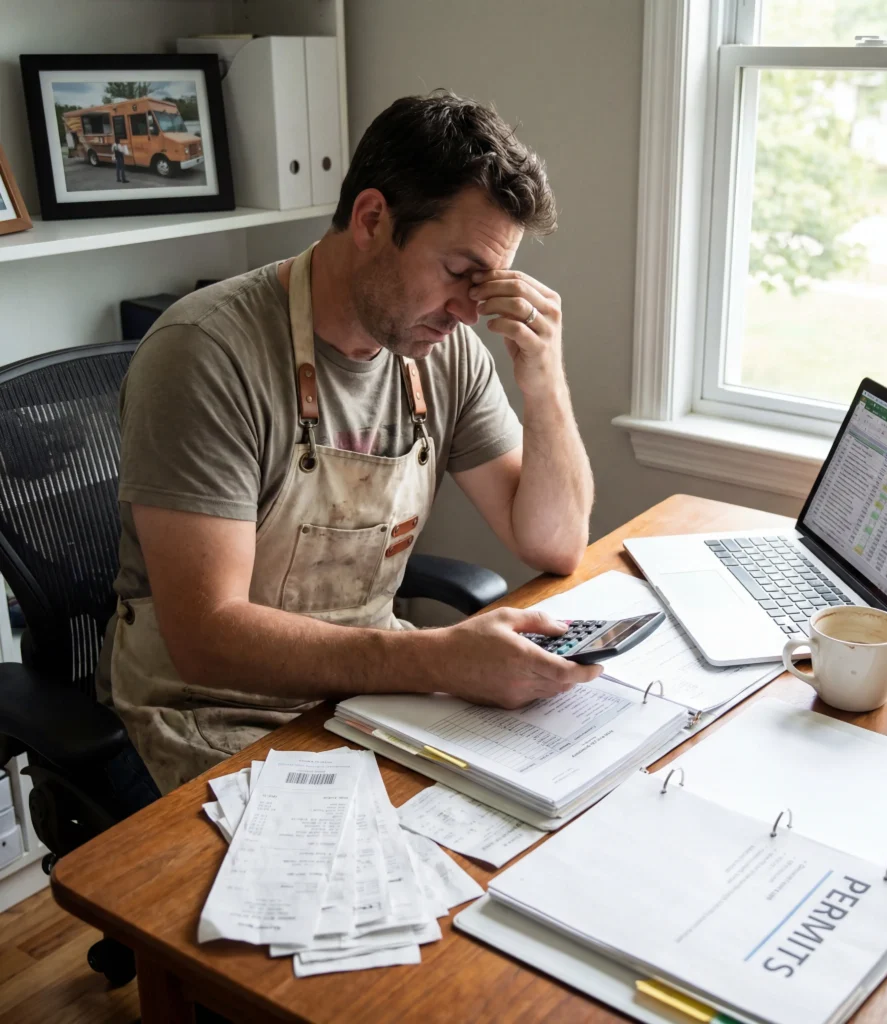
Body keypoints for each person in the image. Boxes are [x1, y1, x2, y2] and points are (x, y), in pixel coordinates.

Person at [96, 91, 599, 794]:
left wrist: (543, 378)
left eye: (488, 284)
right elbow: (205, 637)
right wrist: (438, 660)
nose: (467, 311)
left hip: (359, 693)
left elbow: (554, 543)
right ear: (371, 219)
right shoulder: (206, 352)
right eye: (459, 272)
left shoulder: (443, 352)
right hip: (208, 713)